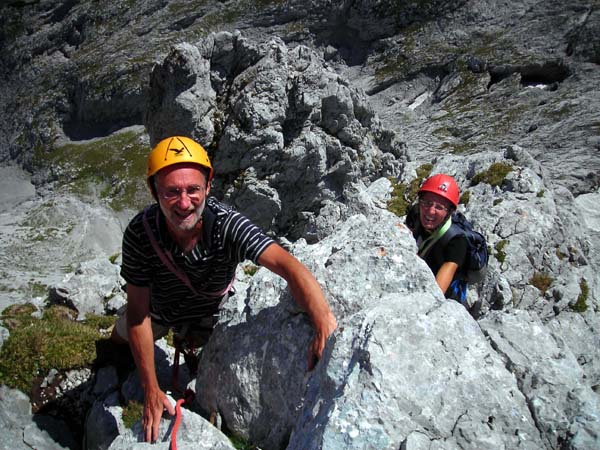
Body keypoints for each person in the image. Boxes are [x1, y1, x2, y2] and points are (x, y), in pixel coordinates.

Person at [110, 135, 337, 443]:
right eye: (171, 192)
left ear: (208, 186)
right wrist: (151, 389)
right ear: (154, 191)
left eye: (193, 190)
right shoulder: (140, 233)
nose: (185, 202)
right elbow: (138, 314)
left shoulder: (228, 225)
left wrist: (324, 322)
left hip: (213, 317)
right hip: (159, 313)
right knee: (117, 343)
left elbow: (289, 267)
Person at [406, 174, 468, 302]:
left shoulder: (456, 240)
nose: (430, 211)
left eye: (439, 207)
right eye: (427, 203)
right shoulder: (415, 214)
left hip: (444, 292)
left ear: (449, 212)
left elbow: (436, 294)